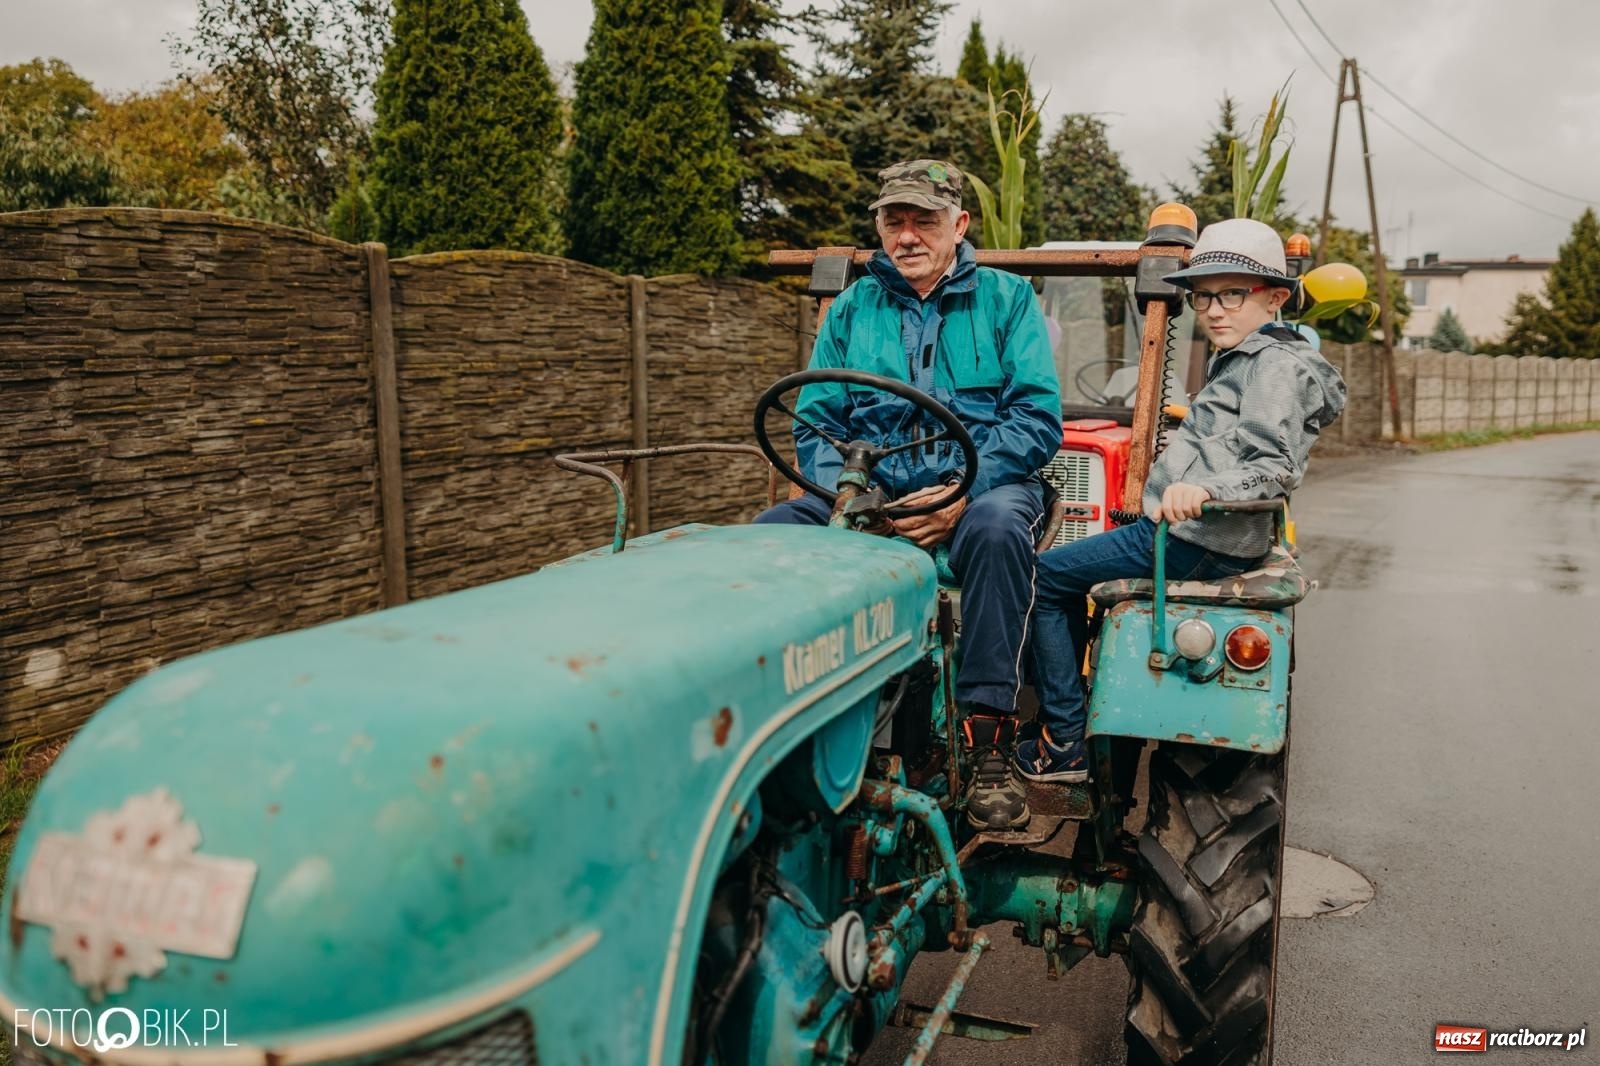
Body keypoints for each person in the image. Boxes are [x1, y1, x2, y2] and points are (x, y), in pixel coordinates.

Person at [755, 159, 1062, 830]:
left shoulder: (1008, 300)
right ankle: (783, 729)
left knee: (997, 528)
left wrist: (962, 489)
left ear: (959, 223)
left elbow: (1037, 421)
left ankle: (989, 741)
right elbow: (816, 422)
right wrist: (850, 497)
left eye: (924, 220)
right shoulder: (854, 308)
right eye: (894, 221)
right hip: (873, 494)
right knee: (773, 534)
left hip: (981, 490)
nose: (907, 235)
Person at [1015, 217, 1348, 787]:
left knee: (1042, 578)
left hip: (1196, 539)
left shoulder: (1272, 366)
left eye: (1233, 294)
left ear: (1275, 296)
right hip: (1195, 533)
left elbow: (1274, 468)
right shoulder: (1247, 354)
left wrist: (1206, 490)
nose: (1215, 309)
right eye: (1202, 297)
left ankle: (1064, 737)